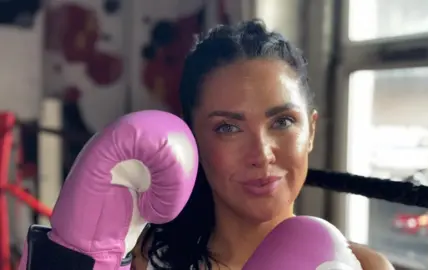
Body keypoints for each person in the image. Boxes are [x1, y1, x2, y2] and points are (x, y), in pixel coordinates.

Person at [146, 19, 394, 270]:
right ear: (192, 140)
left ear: (311, 131)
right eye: (228, 128)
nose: (262, 155)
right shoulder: (143, 258)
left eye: (283, 122)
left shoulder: (366, 267)